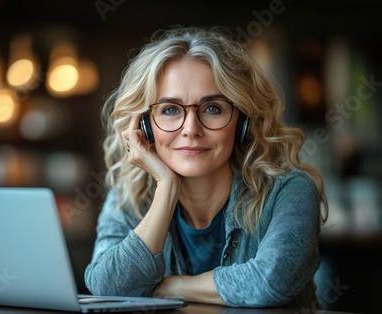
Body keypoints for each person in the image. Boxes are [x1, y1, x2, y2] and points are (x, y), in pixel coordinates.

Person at [84, 26, 328, 308]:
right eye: (170, 110)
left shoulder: (290, 191)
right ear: (143, 126)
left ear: (243, 120)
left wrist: (166, 287)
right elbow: (106, 286)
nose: (191, 129)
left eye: (212, 108)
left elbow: (270, 282)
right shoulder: (130, 192)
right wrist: (166, 187)